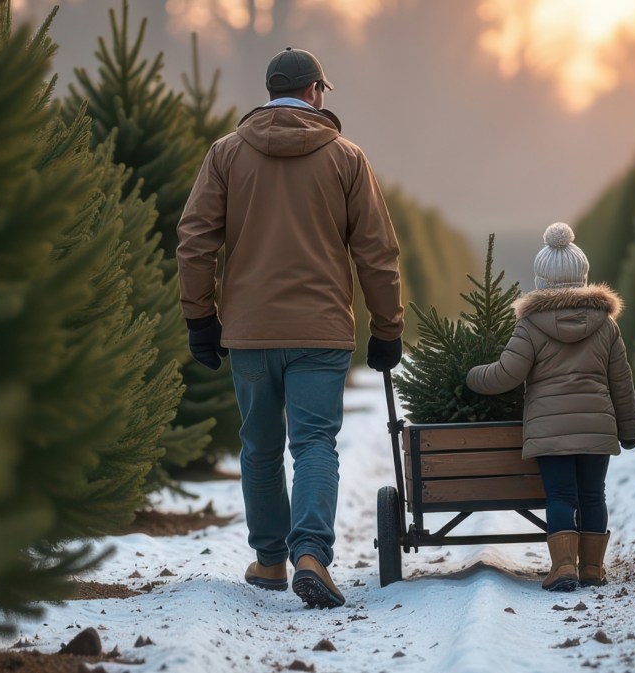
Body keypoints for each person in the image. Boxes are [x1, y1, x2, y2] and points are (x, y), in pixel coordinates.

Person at [176, 47, 404, 609]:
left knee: (259, 446)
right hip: (320, 332)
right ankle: (311, 556)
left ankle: (270, 559)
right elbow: (377, 253)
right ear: (314, 92)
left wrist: (200, 316)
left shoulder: (226, 154)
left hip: (250, 332)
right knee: (314, 443)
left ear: (270, 90)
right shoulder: (347, 158)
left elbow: (195, 240)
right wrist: (387, 327)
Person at [465, 222, 635, 592]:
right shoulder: (606, 326)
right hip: (595, 429)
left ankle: (562, 569)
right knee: (593, 495)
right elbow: (621, 383)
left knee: (561, 496)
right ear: (583, 276)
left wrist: (471, 376)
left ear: (541, 279)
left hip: (551, 432)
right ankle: (591, 568)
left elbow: (506, 374)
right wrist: (629, 430)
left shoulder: (531, 325)